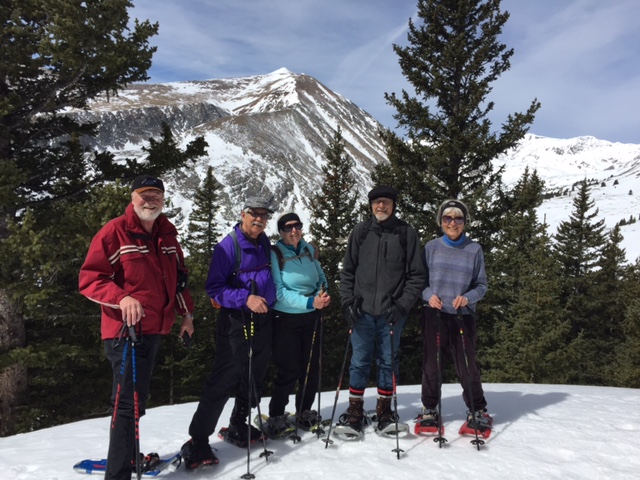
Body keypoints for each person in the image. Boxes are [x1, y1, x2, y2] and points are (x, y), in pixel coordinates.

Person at [79, 174, 195, 480]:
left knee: (137, 401)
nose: (150, 200)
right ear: (133, 198)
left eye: (156, 194)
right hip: (123, 333)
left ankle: (129, 457)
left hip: (154, 330)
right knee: (126, 406)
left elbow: (179, 280)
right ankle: (118, 473)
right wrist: (122, 298)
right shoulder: (115, 232)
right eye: (144, 195)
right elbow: (89, 280)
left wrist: (187, 316)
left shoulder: (167, 235)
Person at [181, 196, 276, 469]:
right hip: (235, 320)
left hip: (262, 319)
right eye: (254, 214)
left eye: (264, 215)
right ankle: (198, 439)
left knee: (255, 373)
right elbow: (214, 288)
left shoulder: (264, 242)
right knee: (225, 377)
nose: (259, 219)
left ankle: (238, 423)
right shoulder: (228, 246)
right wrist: (245, 298)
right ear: (243, 214)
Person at [339, 185, 426, 432]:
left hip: (391, 313)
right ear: (370, 205)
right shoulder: (361, 231)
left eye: (386, 202)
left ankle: (384, 410)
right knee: (359, 361)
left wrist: (402, 306)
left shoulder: (405, 233)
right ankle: (355, 409)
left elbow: (417, 276)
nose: (381, 206)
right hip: (362, 311)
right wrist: (347, 302)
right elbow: (347, 272)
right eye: (376, 202)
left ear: (393, 205)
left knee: (388, 361)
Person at [418, 199, 490, 432]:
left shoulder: (474, 249)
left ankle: (476, 409)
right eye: (447, 218)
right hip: (435, 314)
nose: (453, 222)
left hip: (462, 315)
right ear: (441, 221)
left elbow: (481, 284)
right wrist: (429, 295)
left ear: (465, 222)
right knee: (432, 364)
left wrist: (468, 297)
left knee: (467, 365)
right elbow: (420, 282)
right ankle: (430, 409)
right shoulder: (431, 248)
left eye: (458, 218)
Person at [266, 212, 331, 437]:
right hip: (286, 317)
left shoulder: (309, 250)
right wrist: (310, 301)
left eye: (297, 226)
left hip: (311, 315)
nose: (293, 230)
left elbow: (321, 277)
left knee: (310, 367)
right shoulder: (275, 253)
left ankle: (304, 410)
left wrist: (323, 292)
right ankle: (276, 414)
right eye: (287, 227)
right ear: (281, 231)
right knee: (289, 368)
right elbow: (279, 291)